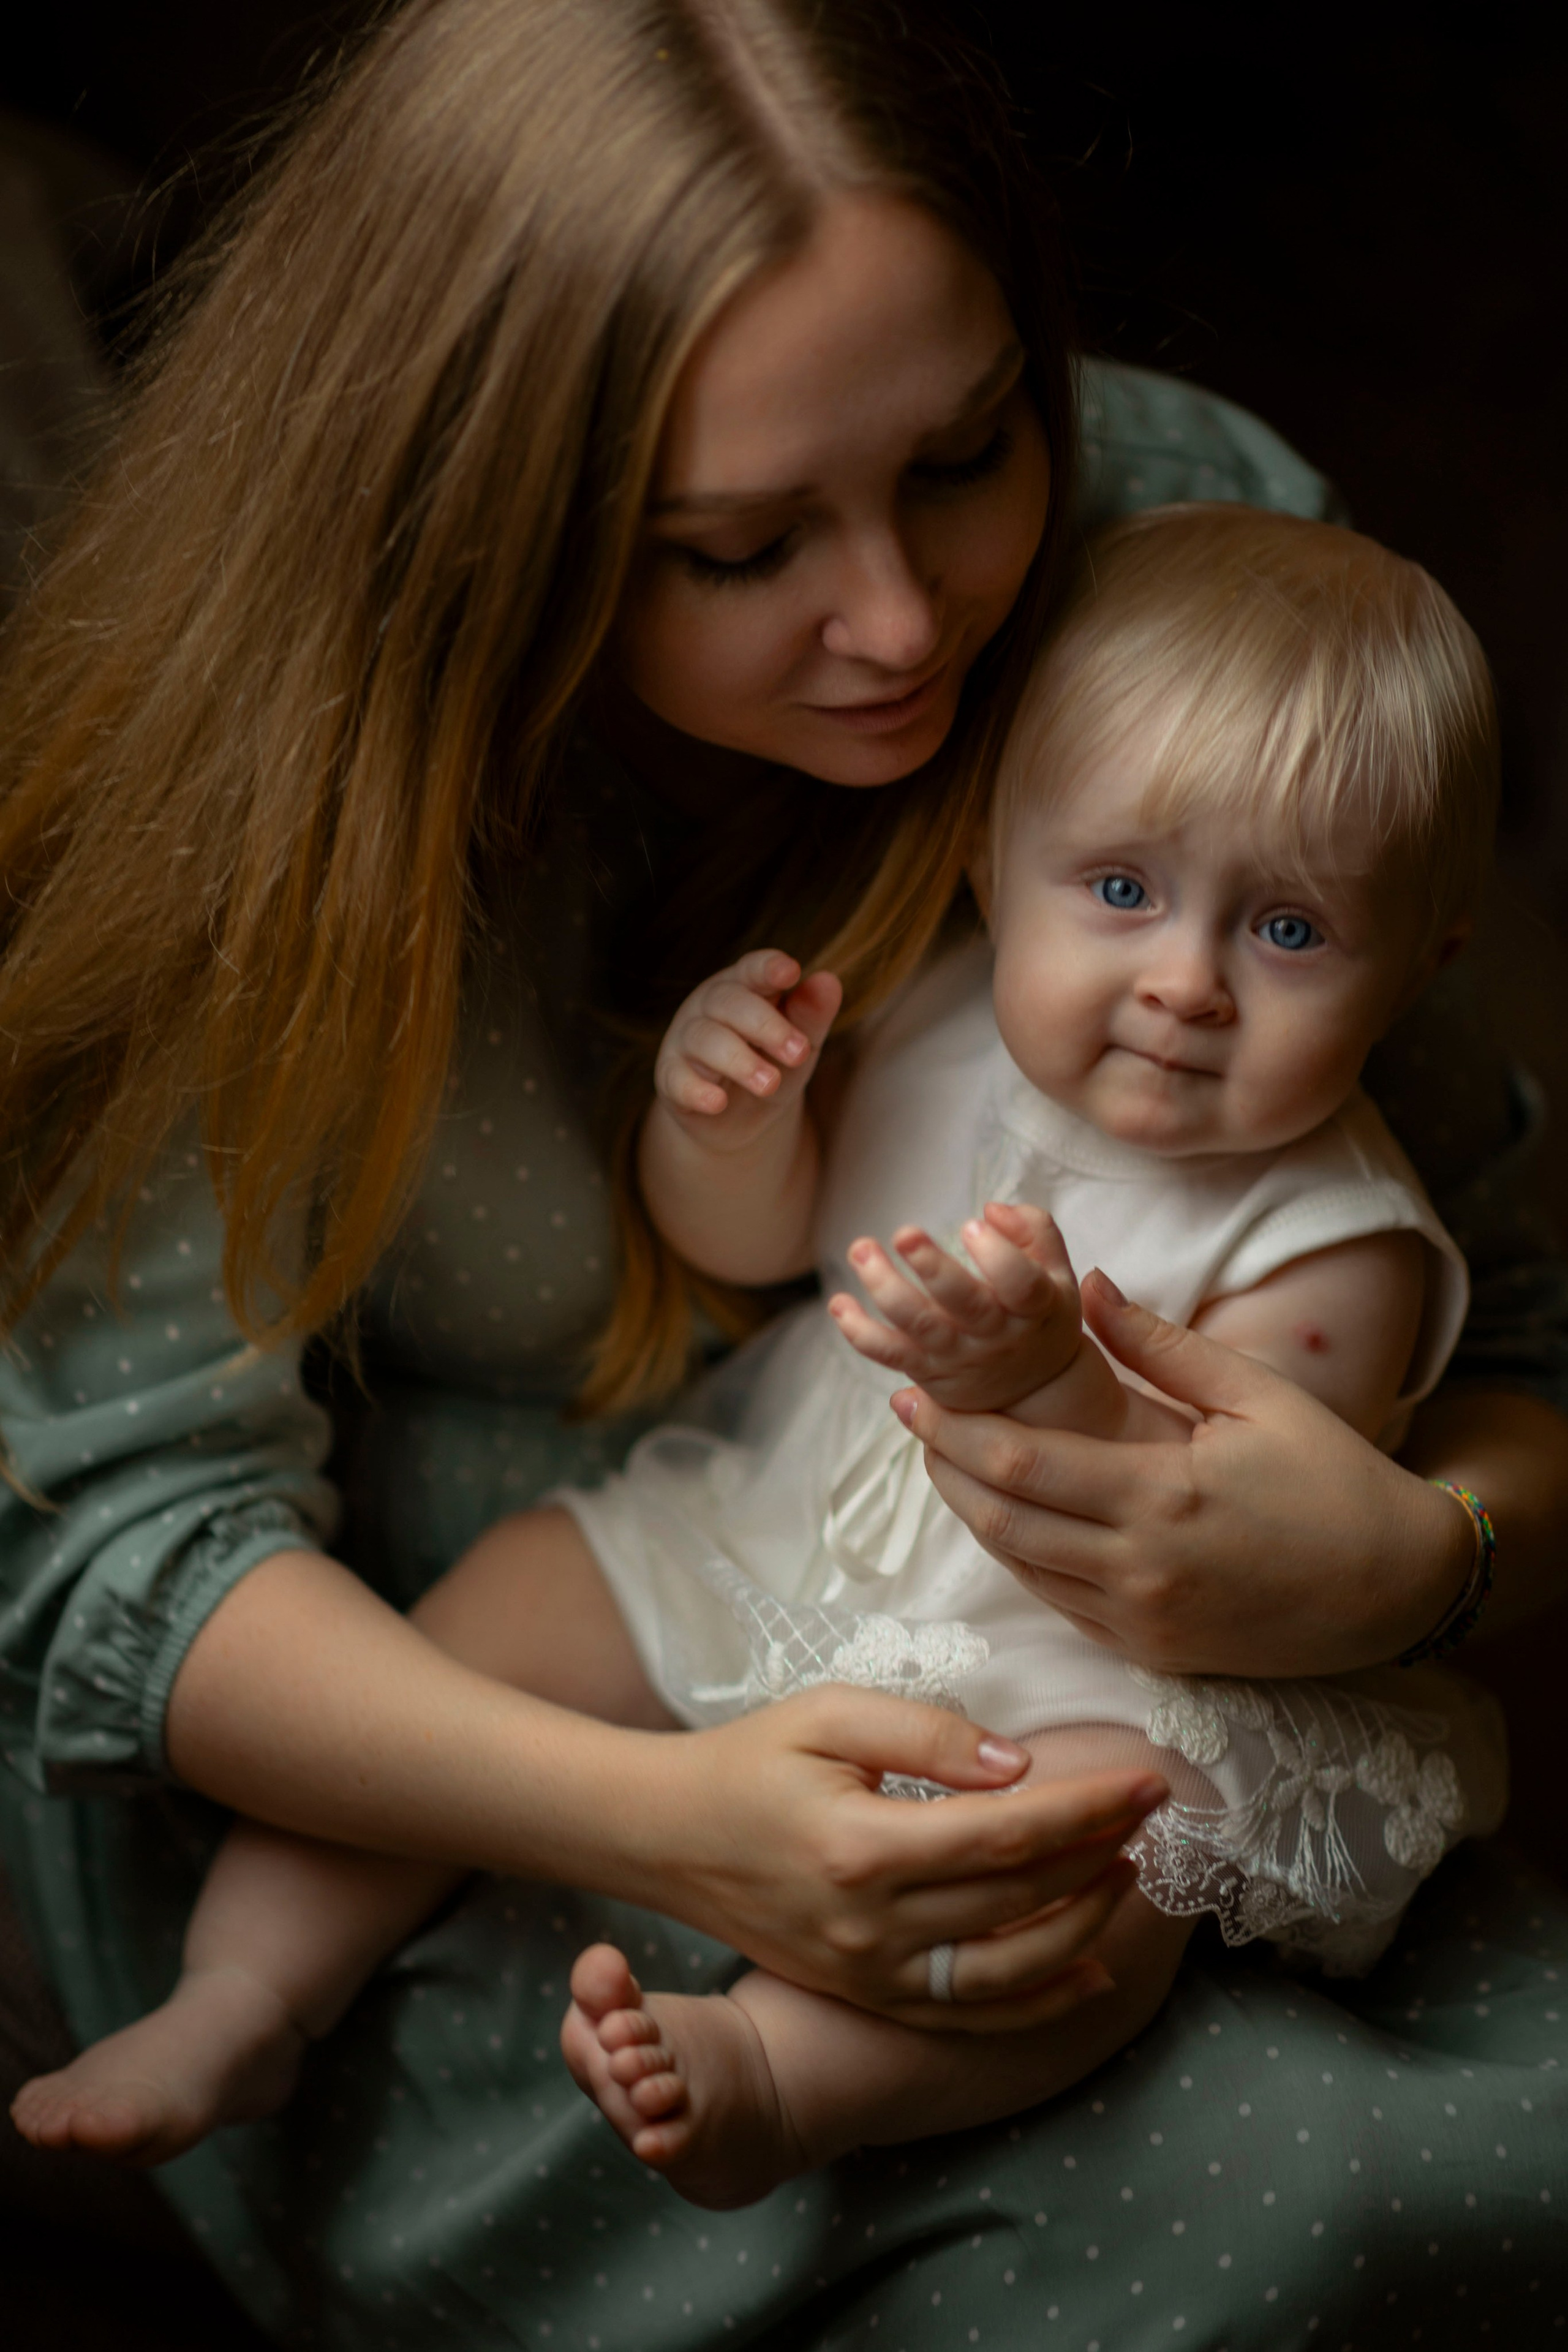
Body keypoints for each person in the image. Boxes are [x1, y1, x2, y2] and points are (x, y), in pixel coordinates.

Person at [0, 0, 1562, 2340]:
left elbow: (1502, 1330)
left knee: (1370, 2161)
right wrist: (679, 1825)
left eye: (962, 455)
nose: (911, 623)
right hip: (483, 1759)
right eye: (737, 545)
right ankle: (312, 2010)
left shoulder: (1189, 587)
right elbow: (133, 1561)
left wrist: (1413, 1561)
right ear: (480, 536)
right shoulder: (237, 789)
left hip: (1075, 1705)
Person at [19, 501, 1513, 2203]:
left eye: (1293, 932)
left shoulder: (1336, 1238)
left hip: (1084, 1673)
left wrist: (1054, 1378)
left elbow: (1230, 1543)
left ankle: (784, 2079)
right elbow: (755, 1250)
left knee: (1097, 1886)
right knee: (506, 1606)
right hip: (782, 1528)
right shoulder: (943, 1013)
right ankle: (249, 1992)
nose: (1185, 981)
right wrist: (726, 1128)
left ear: (1419, 966)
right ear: (987, 860)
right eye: (1118, 888)